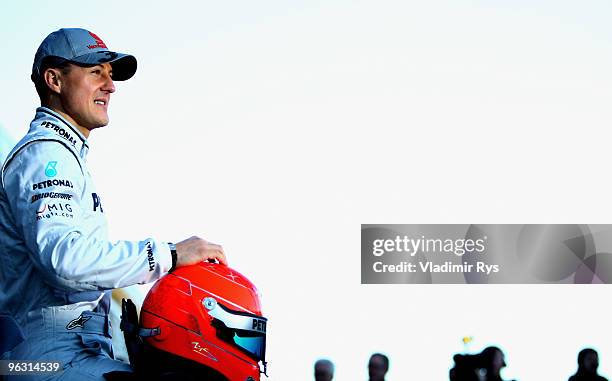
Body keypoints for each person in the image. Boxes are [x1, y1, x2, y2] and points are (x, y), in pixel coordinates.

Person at [0, 28, 226, 381]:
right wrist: (168, 255)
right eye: (95, 73)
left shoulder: (63, 154)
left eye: (110, 75)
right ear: (54, 80)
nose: (110, 85)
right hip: (48, 359)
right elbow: (65, 261)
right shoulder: (45, 153)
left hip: (73, 353)